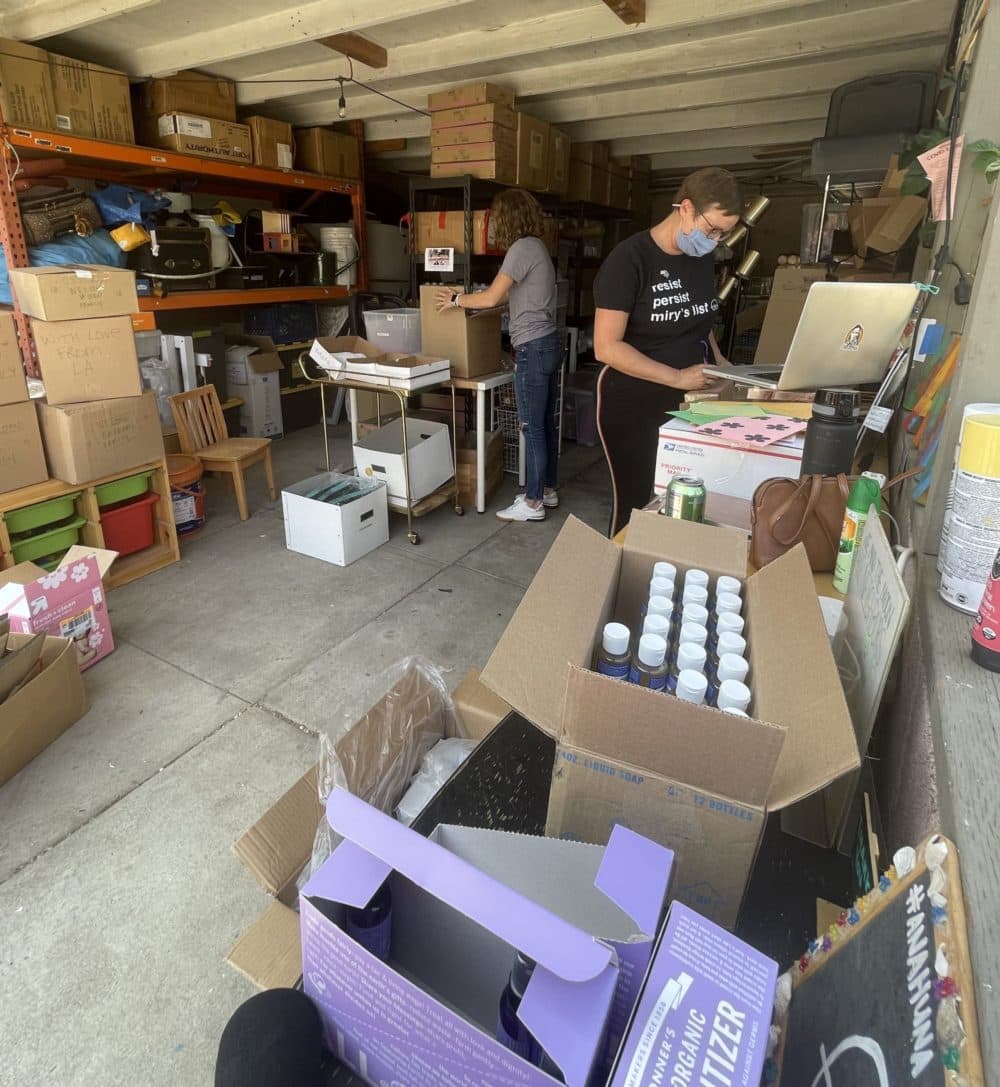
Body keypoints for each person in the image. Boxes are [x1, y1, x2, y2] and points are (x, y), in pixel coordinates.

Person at [593, 167, 743, 536]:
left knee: (682, 504)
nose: (716, 240)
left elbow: (699, 320)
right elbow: (606, 347)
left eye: (725, 233)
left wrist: (722, 366)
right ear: (686, 208)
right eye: (713, 229)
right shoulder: (629, 260)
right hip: (633, 403)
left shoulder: (701, 259)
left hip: (689, 401)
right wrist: (676, 376)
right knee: (634, 505)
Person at [435, 189, 560, 523]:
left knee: (531, 426)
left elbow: (491, 297)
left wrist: (458, 301)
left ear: (506, 219)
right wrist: (480, 310)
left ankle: (532, 503)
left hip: (532, 348)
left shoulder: (521, 249)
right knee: (545, 423)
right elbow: (513, 301)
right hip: (548, 343)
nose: (490, 226)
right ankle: (547, 490)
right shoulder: (538, 248)